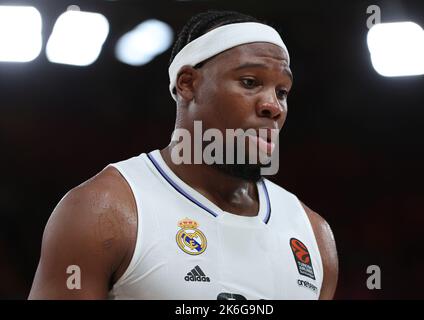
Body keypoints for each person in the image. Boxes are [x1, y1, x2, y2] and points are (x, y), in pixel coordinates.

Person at [29, 10, 338, 300]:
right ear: (188, 83)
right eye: (250, 82)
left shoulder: (314, 235)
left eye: (282, 91)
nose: (274, 106)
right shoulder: (103, 211)